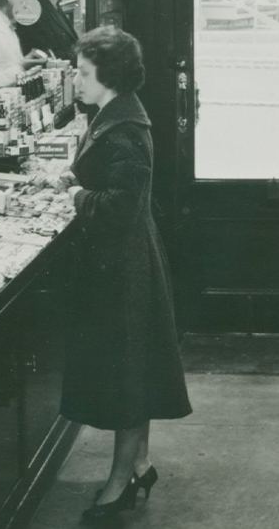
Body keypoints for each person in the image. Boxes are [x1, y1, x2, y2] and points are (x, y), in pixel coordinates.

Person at [57, 26, 191, 524]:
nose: (76, 79)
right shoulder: (113, 114)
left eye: (83, 72)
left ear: (107, 77)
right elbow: (110, 179)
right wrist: (76, 177)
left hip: (123, 265)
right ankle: (138, 463)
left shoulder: (126, 129)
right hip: (126, 261)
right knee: (135, 369)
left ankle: (119, 482)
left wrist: (73, 197)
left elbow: (122, 207)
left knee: (125, 376)